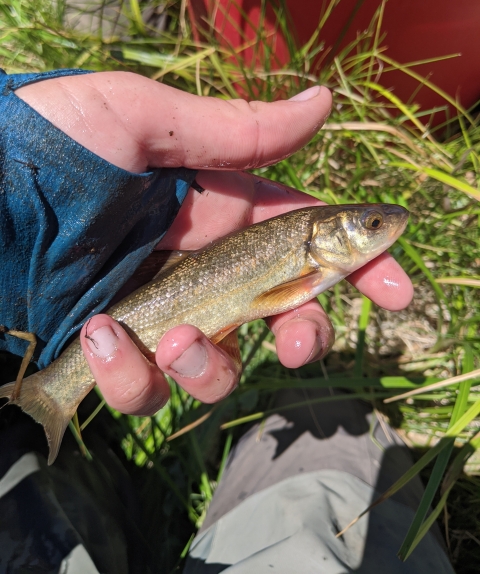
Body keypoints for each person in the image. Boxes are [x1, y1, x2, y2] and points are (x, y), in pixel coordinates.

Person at [0, 69, 453, 573]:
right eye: (372, 225)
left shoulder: (311, 251)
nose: (383, 229)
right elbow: (279, 293)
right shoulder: (308, 258)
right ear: (325, 236)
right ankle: (46, 399)